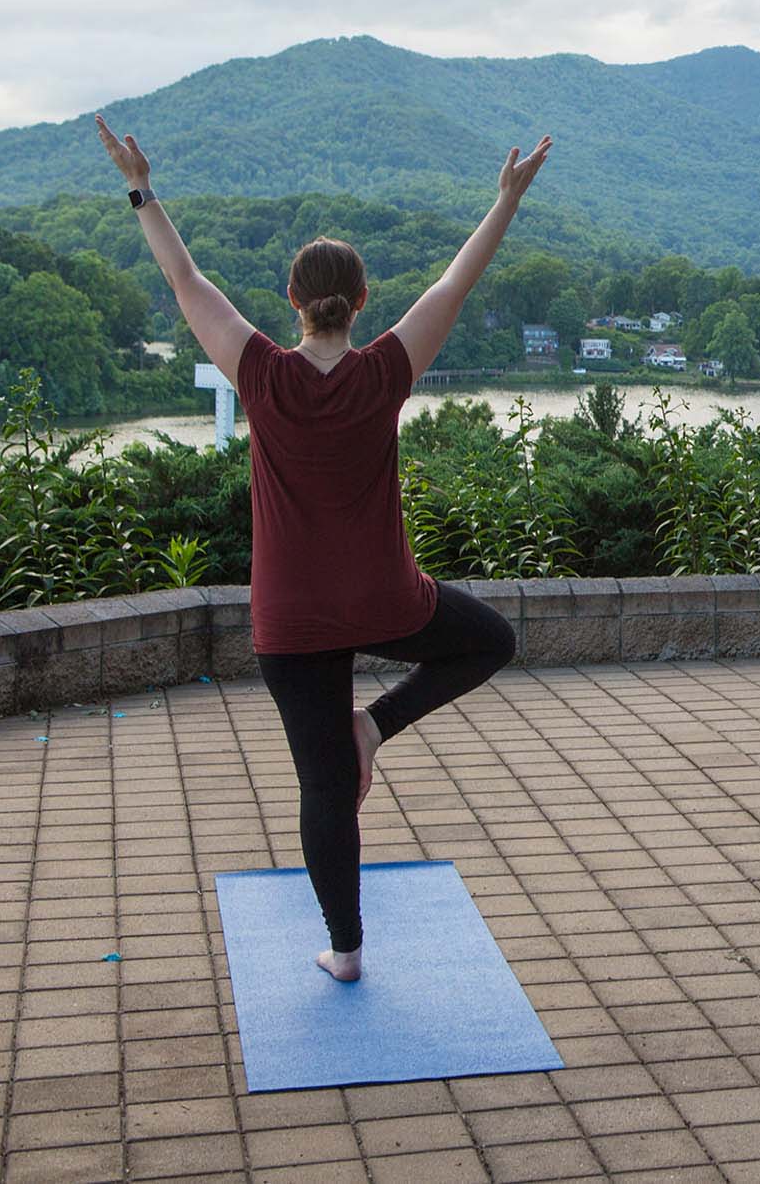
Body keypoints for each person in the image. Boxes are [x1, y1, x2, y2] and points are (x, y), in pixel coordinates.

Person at [97, 115, 552, 978]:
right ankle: (375, 727)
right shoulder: (385, 371)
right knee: (490, 640)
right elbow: (458, 280)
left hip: (292, 618)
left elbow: (185, 278)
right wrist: (505, 200)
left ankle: (346, 950)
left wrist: (142, 188)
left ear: (293, 302)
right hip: (387, 600)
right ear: (363, 299)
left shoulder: (260, 374)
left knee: (323, 787)